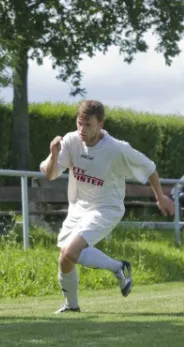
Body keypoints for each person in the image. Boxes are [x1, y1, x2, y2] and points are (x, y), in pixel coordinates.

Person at [39, 100, 174, 313]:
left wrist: (160, 198)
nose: (82, 130)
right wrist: (54, 154)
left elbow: (150, 169)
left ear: (100, 124)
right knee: (65, 259)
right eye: (79, 123)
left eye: (88, 125)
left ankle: (118, 268)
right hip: (78, 208)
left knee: (71, 251)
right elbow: (50, 174)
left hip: (106, 208)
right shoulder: (70, 141)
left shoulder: (117, 149)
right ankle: (72, 306)